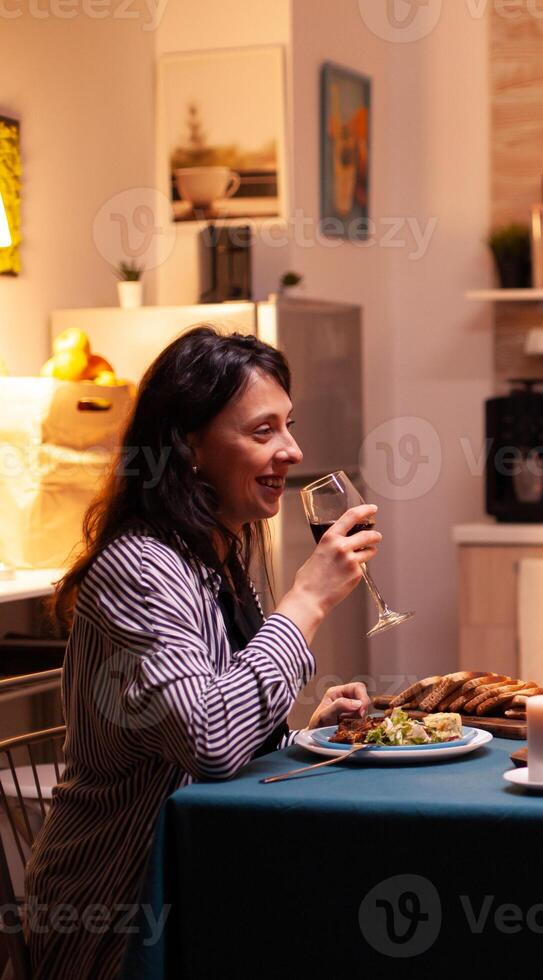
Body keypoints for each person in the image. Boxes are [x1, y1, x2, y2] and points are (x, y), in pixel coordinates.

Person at [26, 327, 380, 979]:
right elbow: (209, 741)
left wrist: (298, 737)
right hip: (121, 910)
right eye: (262, 431)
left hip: (203, 870)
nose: (292, 449)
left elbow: (215, 724)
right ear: (188, 447)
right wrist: (305, 601)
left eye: (290, 425)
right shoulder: (141, 567)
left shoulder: (223, 551)